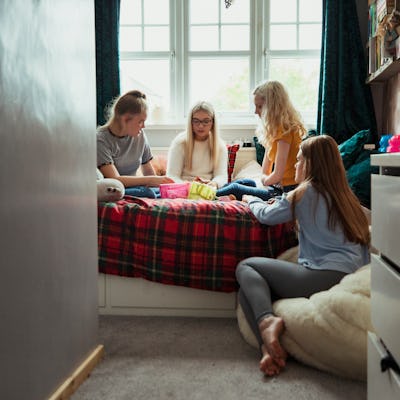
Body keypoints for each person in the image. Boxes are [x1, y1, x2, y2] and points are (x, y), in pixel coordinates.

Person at [236, 135, 370, 377]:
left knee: (246, 268)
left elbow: (267, 215)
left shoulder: (306, 192)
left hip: (322, 276)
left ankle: (267, 325)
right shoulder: (345, 196)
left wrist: (251, 200)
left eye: (299, 160)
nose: (295, 166)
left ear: (310, 164)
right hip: (347, 275)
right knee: (253, 290)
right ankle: (269, 348)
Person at [216, 80, 307, 200]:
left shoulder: (286, 131)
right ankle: (215, 193)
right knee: (246, 182)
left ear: (273, 107)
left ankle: (206, 196)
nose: (255, 111)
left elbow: (277, 175)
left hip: (287, 192)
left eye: (259, 107)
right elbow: (265, 171)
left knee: (235, 189)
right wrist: (264, 180)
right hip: (276, 187)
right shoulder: (274, 130)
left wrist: (265, 181)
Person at [97, 90, 174, 198]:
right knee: (148, 193)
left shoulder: (140, 135)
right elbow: (115, 179)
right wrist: (152, 180)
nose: (143, 126)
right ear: (125, 119)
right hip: (115, 190)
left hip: (135, 187)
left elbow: (148, 170)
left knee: (164, 192)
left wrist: (161, 184)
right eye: (140, 122)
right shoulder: (101, 140)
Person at [166, 101, 228, 190]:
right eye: (196, 121)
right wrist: (190, 187)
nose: (201, 126)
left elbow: (221, 176)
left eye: (206, 121)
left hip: (208, 189)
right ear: (190, 122)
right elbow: (172, 176)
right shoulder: (180, 142)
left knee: (243, 184)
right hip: (184, 188)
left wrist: (214, 183)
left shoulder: (220, 145)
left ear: (212, 122)